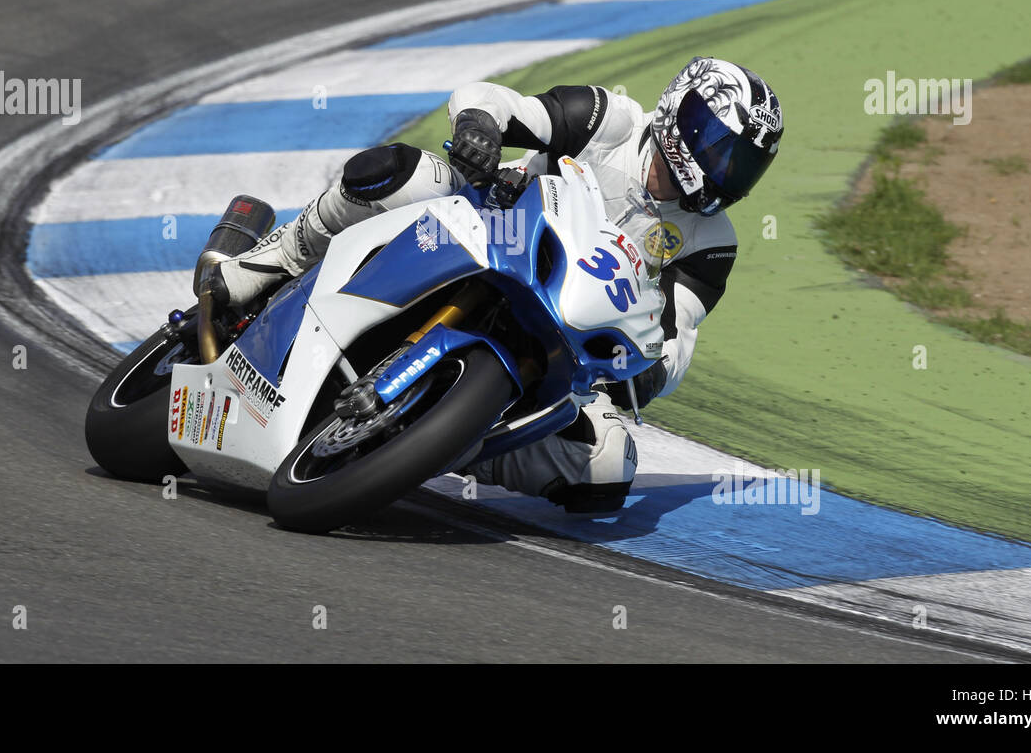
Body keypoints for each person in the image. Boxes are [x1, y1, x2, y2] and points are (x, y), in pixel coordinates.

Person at [205, 56, 783, 513]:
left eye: (744, 166)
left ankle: (434, 442)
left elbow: (678, 335)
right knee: (415, 174)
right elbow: (493, 100)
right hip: (489, 229)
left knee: (608, 464)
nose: (726, 172)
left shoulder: (711, 242)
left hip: (560, 343)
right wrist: (481, 128)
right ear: (680, 115)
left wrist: (648, 368)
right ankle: (273, 261)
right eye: (720, 149)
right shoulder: (612, 120)